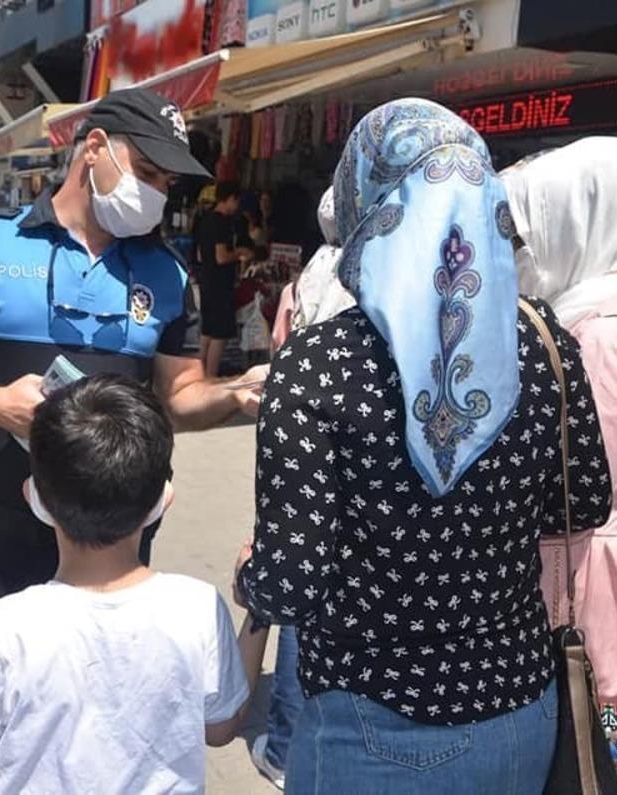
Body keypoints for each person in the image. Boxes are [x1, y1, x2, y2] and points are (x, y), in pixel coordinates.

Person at [0, 87, 267, 794]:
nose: (155, 192)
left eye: (165, 182)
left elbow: (180, 395)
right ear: (94, 147)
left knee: (92, 717)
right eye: (146, 172)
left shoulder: (166, 273)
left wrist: (239, 395)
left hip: (106, 541)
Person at [236, 99, 612, 792]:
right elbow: (585, 501)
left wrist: (249, 574)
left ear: (366, 204)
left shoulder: (317, 365)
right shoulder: (549, 345)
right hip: (521, 713)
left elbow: (292, 582)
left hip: (368, 721)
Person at [0, 375, 268, 793]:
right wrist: (260, 611)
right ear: (163, 500)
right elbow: (221, 725)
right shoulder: (196, 607)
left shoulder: (1, 629)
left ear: (35, 497)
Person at [505, 137, 617, 705]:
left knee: (577, 733)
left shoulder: (602, 337)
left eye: (533, 233)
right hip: (584, 561)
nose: (521, 253)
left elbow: (580, 486)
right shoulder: (606, 319)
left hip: (572, 575)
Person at [249, 186, 352, 790]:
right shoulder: (372, 279)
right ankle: (301, 733)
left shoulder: (305, 281)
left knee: (297, 586)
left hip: (294, 447)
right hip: (356, 456)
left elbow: (279, 356)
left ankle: (286, 739)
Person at [195, 181, 251, 377]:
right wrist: (239, 253)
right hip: (220, 283)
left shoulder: (205, 218)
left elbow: (201, 255)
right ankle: (210, 377)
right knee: (220, 333)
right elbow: (222, 256)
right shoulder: (222, 222)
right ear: (230, 199)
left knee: (207, 330)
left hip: (206, 278)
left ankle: (198, 374)